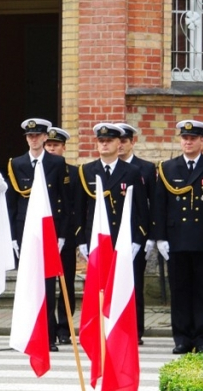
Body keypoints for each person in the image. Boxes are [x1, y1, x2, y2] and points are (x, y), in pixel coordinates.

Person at [150, 120, 203, 355]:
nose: (187, 142)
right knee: (180, 290)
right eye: (184, 138)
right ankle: (182, 338)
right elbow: (159, 205)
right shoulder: (167, 168)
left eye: (193, 138)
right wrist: (160, 237)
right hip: (176, 239)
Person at [5, 118, 69, 351]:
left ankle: (49, 337)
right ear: (27, 139)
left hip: (48, 229)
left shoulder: (57, 163)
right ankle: (28, 333)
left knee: (48, 285)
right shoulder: (16, 164)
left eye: (38, 136)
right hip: (25, 232)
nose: (33, 139)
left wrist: (61, 235)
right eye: (30, 136)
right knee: (28, 284)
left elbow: (63, 201)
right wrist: (12, 236)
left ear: (45, 137)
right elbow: (11, 204)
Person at [75, 123, 150, 286]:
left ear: (118, 143)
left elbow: (142, 209)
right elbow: (79, 209)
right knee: (99, 287)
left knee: (126, 287)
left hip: (124, 236)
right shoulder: (86, 171)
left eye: (109, 140)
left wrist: (138, 239)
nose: (104, 144)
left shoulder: (132, 171)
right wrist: (81, 240)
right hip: (96, 236)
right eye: (101, 140)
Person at [117, 123, 157, 344]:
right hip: (113, 236)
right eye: (118, 141)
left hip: (135, 234)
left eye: (125, 141)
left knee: (134, 285)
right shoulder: (106, 167)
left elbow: (152, 204)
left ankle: (135, 330)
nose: (121, 145)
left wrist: (149, 236)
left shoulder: (146, 168)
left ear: (133, 142)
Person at [43, 127, 81, 346]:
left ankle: (65, 328)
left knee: (66, 283)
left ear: (64, 148)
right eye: (49, 145)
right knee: (47, 286)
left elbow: (74, 207)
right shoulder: (40, 170)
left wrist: (69, 236)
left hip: (65, 235)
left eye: (56, 145)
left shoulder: (74, 173)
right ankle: (48, 327)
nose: (52, 149)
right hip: (46, 235)